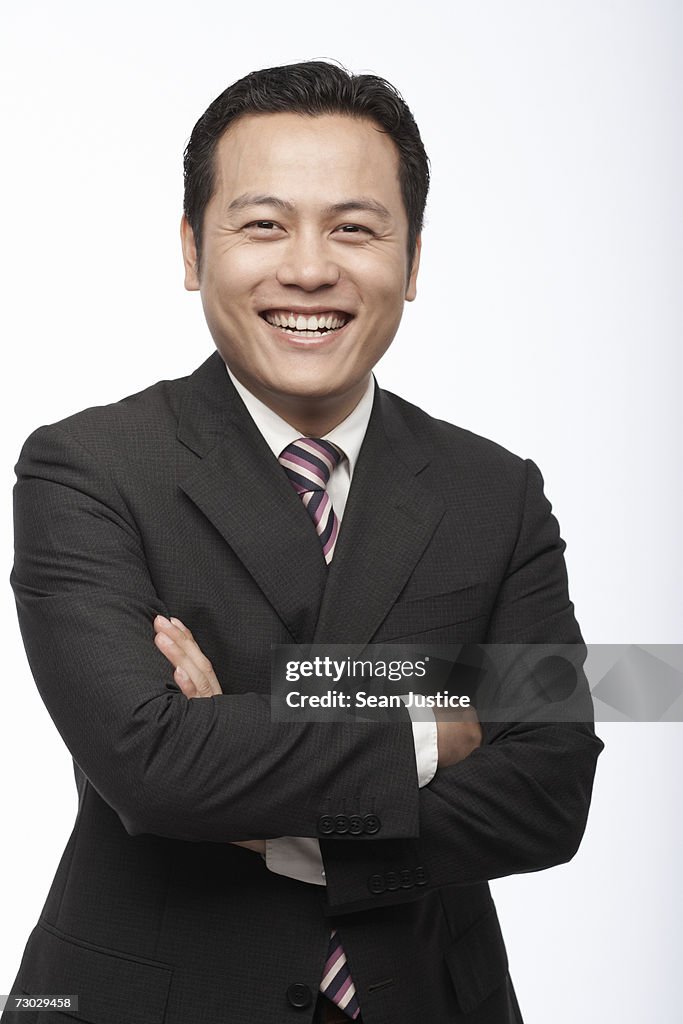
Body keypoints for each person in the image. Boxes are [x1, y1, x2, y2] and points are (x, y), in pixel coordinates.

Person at [2, 61, 603, 1024]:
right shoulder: (86, 467)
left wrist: (258, 786)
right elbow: (150, 769)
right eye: (264, 224)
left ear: (410, 263)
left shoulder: (496, 492)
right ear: (194, 248)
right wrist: (425, 721)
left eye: (355, 228)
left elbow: (550, 786)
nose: (310, 268)